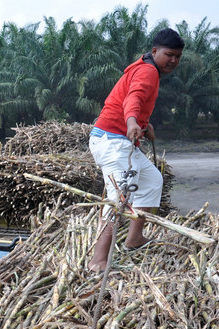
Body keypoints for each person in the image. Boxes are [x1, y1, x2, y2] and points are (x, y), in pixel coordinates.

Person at [87, 28, 184, 271]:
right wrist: (132, 121)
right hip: (112, 140)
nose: (173, 60)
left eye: (178, 56)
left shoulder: (143, 67)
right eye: (169, 54)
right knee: (118, 200)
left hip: (115, 138)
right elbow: (134, 98)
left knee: (152, 180)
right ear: (155, 51)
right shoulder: (148, 71)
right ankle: (97, 259)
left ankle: (134, 238)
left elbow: (131, 100)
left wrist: (143, 124)